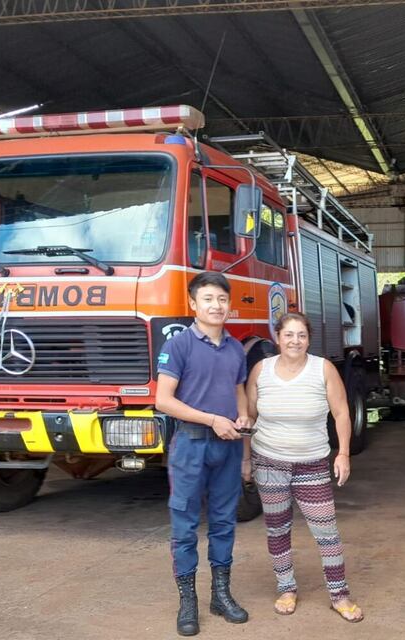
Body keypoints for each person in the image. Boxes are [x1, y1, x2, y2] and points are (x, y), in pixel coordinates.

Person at [244, 312, 365, 623]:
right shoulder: (261, 370)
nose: (295, 341)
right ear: (277, 338)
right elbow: (250, 417)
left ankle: (339, 595)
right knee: (277, 529)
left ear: (309, 340)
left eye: (301, 335)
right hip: (269, 462)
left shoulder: (322, 369)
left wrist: (343, 454)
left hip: (312, 464)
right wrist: (245, 458)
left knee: (327, 532)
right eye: (288, 335)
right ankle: (286, 589)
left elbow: (341, 413)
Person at [155, 271, 250, 636]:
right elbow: (164, 401)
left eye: (222, 299)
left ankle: (220, 595)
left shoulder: (236, 348)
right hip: (191, 445)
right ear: (193, 303)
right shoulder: (179, 345)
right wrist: (212, 420)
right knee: (185, 526)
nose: (216, 305)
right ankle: (188, 602)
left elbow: (238, 391)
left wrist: (242, 416)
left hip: (228, 447)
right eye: (208, 299)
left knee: (225, 521)